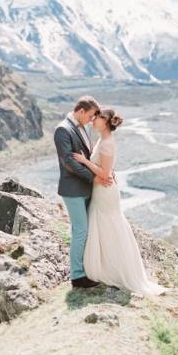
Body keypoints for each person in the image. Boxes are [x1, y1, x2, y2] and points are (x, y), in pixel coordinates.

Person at [72, 108, 166, 296]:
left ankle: (113, 269)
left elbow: (105, 173)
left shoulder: (106, 143)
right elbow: (107, 169)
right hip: (102, 189)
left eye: (97, 117)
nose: (94, 119)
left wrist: (84, 161)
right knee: (104, 225)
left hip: (105, 192)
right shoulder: (102, 140)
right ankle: (104, 265)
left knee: (108, 225)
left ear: (106, 121)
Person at [54, 96, 114, 288]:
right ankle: (77, 276)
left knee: (86, 231)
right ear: (80, 111)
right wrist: (94, 178)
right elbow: (69, 162)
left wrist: (108, 173)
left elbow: (91, 158)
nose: (91, 120)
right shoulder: (62, 130)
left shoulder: (83, 128)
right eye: (89, 115)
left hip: (87, 188)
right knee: (80, 231)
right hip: (73, 189)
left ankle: (87, 269)